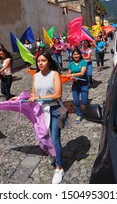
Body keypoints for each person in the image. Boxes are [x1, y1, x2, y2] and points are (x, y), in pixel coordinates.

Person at [28, 50, 64, 184]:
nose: (40, 63)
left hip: (54, 109)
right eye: (38, 61)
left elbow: (58, 95)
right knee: (43, 136)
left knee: (55, 139)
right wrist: (19, 99)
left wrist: (39, 97)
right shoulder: (35, 75)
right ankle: (51, 153)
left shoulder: (55, 74)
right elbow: (33, 94)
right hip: (41, 110)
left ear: (49, 61)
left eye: (43, 60)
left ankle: (59, 168)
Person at [66, 48, 89, 123]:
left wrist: (72, 75)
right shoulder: (71, 64)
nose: (76, 56)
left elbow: (82, 73)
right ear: (72, 55)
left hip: (84, 84)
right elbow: (68, 74)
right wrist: (71, 78)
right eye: (74, 54)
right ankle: (79, 114)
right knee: (76, 101)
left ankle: (86, 112)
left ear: (80, 55)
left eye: (77, 54)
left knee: (84, 101)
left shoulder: (83, 62)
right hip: (75, 84)